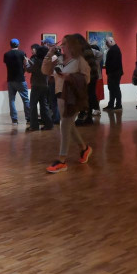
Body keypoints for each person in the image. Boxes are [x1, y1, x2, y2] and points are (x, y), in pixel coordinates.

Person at [43, 35, 93, 173]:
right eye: (62, 43)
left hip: (73, 98)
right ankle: (84, 148)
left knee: (64, 125)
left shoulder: (79, 60)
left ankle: (62, 160)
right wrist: (50, 53)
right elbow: (45, 70)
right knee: (69, 125)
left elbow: (87, 78)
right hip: (60, 96)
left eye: (65, 43)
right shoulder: (59, 59)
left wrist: (70, 77)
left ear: (72, 45)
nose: (62, 46)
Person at [3, 38, 30, 126]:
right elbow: (26, 65)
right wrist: (23, 72)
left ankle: (14, 120)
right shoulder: (22, 53)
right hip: (20, 79)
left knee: (11, 100)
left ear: (10, 45)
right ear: (18, 44)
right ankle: (28, 118)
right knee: (25, 99)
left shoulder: (6, 54)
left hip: (10, 79)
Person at [26, 44, 54, 131]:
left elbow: (29, 69)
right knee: (44, 105)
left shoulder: (37, 61)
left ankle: (34, 125)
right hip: (45, 85)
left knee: (33, 105)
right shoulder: (46, 61)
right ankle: (48, 124)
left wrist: (26, 63)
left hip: (36, 85)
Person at [76, 37, 100, 126]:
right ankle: (88, 117)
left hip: (87, 76)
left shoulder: (82, 51)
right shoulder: (87, 49)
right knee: (88, 96)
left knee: (85, 97)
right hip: (92, 75)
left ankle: (83, 117)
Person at [42, 37, 61, 125]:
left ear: (48, 44)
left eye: (44, 44)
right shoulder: (57, 55)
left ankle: (56, 118)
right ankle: (56, 116)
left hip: (53, 79)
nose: (43, 45)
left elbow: (49, 68)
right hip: (56, 79)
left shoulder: (52, 56)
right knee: (54, 100)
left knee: (53, 100)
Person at [104, 36, 123, 111]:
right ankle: (112, 104)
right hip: (114, 73)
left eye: (107, 42)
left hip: (114, 73)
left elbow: (113, 63)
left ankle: (118, 104)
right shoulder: (114, 49)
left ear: (111, 41)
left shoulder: (114, 50)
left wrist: (110, 72)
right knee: (113, 88)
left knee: (115, 88)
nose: (106, 44)